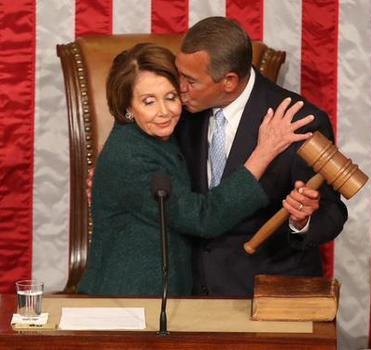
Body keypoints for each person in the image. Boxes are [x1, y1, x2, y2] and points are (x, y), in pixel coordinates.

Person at [78, 43, 314, 296]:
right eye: (148, 102)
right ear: (127, 106)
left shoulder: (161, 132)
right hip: (130, 299)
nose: (164, 112)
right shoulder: (129, 155)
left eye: (170, 97)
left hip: (172, 296)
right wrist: (264, 152)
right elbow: (203, 218)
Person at [175, 17, 348, 297]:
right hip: (190, 292)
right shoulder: (179, 110)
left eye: (190, 81)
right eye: (179, 74)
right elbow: (134, 113)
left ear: (229, 81)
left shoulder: (300, 123)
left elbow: (332, 212)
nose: (179, 87)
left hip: (264, 293)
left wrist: (302, 220)